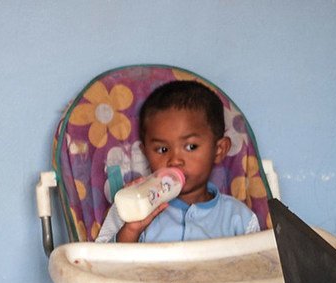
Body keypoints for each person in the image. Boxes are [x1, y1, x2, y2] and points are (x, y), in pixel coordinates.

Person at [95, 80, 260, 243]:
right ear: (146, 153)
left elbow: (262, 267)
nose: (175, 160)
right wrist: (131, 230)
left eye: (191, 146)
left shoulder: (240, 219)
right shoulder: (132, 209)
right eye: (162, 150)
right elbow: (100, 265)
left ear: (219, 150)